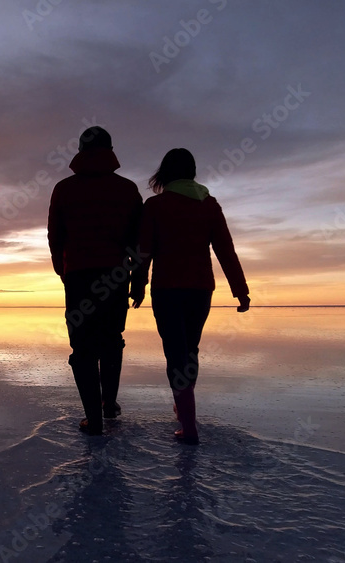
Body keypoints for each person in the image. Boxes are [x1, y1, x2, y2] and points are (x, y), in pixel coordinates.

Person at [131, 148, 250, 445]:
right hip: (200, 290)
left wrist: (137, 285)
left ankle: (189, 426)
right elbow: (226, 250)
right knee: (190, 349)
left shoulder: (156, 206)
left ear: (165, 173)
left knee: (175, 353)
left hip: (168, 289)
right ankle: (184, 406)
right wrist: (240, 290)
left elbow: (143, 251)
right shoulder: (209, 205)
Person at [48, 126, 144, 436]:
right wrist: (139, 281)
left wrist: (61, 269)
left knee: (83, 347)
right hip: (115, 275)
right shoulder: (127, 189)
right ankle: (109, 403)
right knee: (112, 339)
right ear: (111, 150)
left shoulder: (64, 189)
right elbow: (139, 242)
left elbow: (55, 235)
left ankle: (95, 418)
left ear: (79, 150)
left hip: (78, 275)